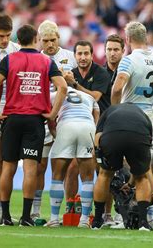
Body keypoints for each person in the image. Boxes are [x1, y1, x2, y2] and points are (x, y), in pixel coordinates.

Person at [0, 25, 67, 226]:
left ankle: (5, 216)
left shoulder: (9, 59)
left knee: (8, 168)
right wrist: (52, 113)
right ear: (36, 38)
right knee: (30, 168)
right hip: (35, 120)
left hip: (12, 119)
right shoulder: (46, 61)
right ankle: (25, 217)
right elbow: (63, 87)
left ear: (18, 40)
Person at [111, 22, 153, 229]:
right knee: (145, 167)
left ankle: (133, 215)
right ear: (146, 38)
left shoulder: (128, 60)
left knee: (132, 166)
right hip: (148, 118)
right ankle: (147, 217)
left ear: (128, 40)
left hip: (128, 115)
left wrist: (116, 110)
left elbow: (117, 88)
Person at [32, 20, 77, 220]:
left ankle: (68, 210)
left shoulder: (70, 57)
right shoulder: (36, 59)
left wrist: (72, 81)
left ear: (59, 38)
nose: (50, 44)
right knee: (39, 166)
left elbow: (78, 85)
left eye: (53, 40)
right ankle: (35, 211)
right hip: (43, 117)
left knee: (67, 167)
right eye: (45, 40)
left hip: (66, 117)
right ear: (39, 40)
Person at [91, 103, 153, 231]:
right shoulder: (143, 115)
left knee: (104, 174)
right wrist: (131, 184)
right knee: (142, 178)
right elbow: (147, 141)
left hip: (112, 135)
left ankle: (97, 221)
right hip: (139, 134)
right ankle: (143, 223)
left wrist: (98, 154)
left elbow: (98, 136)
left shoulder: (110, 110)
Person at [45, 86, 99, 228]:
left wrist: (58, 137)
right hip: (88, 126)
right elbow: (97, 120)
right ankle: (84, 220)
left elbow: (50, 120)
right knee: (88, 178)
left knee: (57, 175)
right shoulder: (89, 96)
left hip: (66, 125)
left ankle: (54, 219)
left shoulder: (53, 95)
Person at [63, 40, 111, 202]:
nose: (83, 57)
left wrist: (74, 85)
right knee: (72, 168)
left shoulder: (101, 73)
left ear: (92, 55)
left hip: (100, 127)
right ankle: (71, 208)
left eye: (86, 53)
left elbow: (95, 97)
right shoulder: (70, 73)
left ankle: (105, 214)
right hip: (76, 125)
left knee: (101, 170)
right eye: (79, 53)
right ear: (74, 55)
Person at [0, 13, 21, 223]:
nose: (5, 40)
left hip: (10, 111)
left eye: (8, 35)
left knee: (4, 161)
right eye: (1, 36)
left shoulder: (16, 50)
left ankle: (1, 207)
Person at [101, 33, 125, 225]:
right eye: (109, 49)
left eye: (116, 49)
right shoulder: (99, 73)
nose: (112, 53)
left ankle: (123, 212)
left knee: (127, 173)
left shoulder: (129, 73)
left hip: (125, 129)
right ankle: (106, 214)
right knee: (104, 173)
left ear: (123, 51)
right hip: (103, 130)